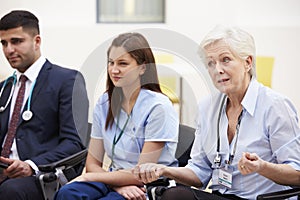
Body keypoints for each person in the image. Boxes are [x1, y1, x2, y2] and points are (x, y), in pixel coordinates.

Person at [133, 26, 300, 200]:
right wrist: (164, 170)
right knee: (174, 194)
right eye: (211, 63)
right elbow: (199, 173)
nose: (217, 69)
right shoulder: (207, 108)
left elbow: (297, 174)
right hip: (223, 196)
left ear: (248, 63)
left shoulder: (275, 106)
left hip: (263, 198)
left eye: (225, 60)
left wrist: (262, 167)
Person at [54, 32, 179, 200]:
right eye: (111, 62)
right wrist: (117, 184)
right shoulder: (105, 102)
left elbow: (141, 173)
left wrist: (88, 177)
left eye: (123, 63)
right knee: (67, 193)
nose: (114, 70)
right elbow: (92, 164)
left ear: (143, 67)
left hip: (148, 185)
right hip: (114, 179)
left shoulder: (158, 106)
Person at [0, 10, 89, 199]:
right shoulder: (4, 88)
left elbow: (74, 143)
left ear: (37, 41)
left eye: (16, 41)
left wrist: (31, 165)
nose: (9, 50)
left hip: (40, 174)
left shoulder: (67, 81)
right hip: (4, 171)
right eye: (4, 43)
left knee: (10, 190)